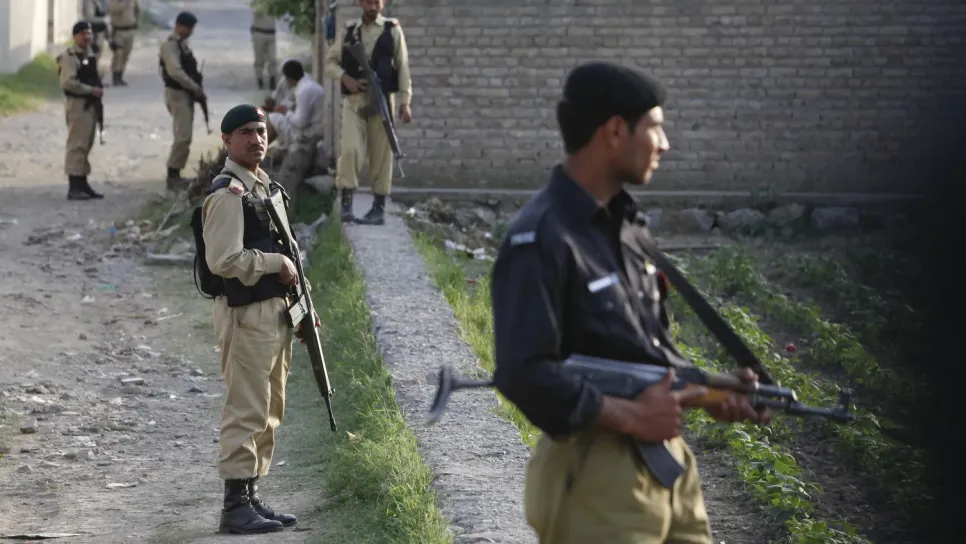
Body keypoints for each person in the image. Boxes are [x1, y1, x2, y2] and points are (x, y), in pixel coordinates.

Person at [490, 61, 771, 544]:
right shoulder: (542, 237)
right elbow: (523, 371)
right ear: (615, 131)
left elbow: (638, 356)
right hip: (596, 478)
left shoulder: (628, 229)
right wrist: (633, 417)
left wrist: (716, 391)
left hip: (670, 470)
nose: (665, 144)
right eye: (655, 128)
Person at [200, 104, 307, 534]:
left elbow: (290, 252)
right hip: (245, 313)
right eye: (245, 132)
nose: (256, 139)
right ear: (227, 140)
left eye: (261, 131)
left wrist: (304, 307)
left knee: (269, 407)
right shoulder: (228, 195)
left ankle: (251, 494)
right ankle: (234, 507)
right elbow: (224, 260)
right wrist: (274, 263)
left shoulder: (264, 187)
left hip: (273, 310)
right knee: (246, 407)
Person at [324, 0, 413, 225]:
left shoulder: (392, 30)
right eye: (368, 2)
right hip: (354, 102)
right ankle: (346, 204)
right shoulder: (349, 31)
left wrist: (405, 102)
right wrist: (346, 78)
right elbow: (330, 63)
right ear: (361, 3)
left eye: (377, 2)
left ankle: (378, 208)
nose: (372, 7)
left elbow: (402, 67)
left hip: (381, 101)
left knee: (382, 155)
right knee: (350, 150)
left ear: (383, 3)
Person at [58, 21, 105, 201]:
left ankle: (82, 182)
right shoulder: (69, 56)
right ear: (75, 36)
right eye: (83, 34)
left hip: (89, 104)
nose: (87, 37)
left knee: (86, 143)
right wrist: (90, 90)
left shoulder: (89, 54)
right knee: (77, 144)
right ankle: (74, 186)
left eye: (89, 33)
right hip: (78, 104)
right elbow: (68, 82)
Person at [159, 11, 205, 190]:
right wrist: (194, 86)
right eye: (188, 27)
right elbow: (175, 71)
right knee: (183, 135)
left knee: (185, 135)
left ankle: (176, 173)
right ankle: (173, 175)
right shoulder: (170, 45)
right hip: (177, 93)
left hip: (185, 94)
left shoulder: (181, 44)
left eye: (192, 28)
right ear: (178, 26)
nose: (190, 31)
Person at [266, 60, 325, 196]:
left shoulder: (303, 91)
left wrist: (285, 112)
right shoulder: (309, 83)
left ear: (289, 79)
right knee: (275, 116)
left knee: (273, 118)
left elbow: (300, 122)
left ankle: (258, 149)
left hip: (308, 134)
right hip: (314, 129)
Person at [108, 0, 140, 86]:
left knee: (126, 54)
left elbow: (137, 10)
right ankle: (115, 77)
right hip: (118, 31)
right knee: (118, 54)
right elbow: (114, 10)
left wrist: (137, 21)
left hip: (130, 30)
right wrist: (125, 2)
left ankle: (120, 76)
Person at [250, 4, 278, 90]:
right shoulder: (259, 4)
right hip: (259, 33)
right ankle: (260, 80)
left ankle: (272, 80)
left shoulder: (273, 3)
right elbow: (257, 12)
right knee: (259, 59)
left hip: (271, 33)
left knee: (272, 58)